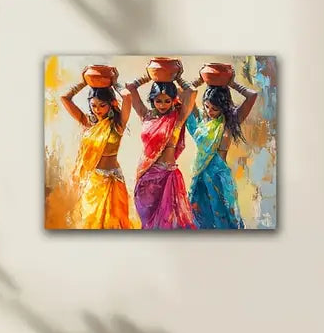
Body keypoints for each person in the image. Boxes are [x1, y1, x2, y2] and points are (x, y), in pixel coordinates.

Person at [60, 67, 134, 229]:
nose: (97, 109)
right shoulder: (88, 123)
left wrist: (115, 83)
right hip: (94, 182)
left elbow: (127, 96)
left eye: (102, 105)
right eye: (93, 105)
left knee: (115, 225)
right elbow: (64, 98)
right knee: (92, 224)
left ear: (112, 104)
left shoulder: (117, 125)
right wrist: (84, 82)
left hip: (114, 181)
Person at [126, 63, 197, 229]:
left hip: (168, 178)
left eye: (167, 101)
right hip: (147, 179)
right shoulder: (146, 116)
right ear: (152, 100)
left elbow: (192, 93)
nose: (163, 105)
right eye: (158, 101)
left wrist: (177, 77)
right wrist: (150, 75)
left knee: (169, 224)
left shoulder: (178, 118)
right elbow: (130, 87)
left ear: (173, 101)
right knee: (148, 224)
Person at [186, 68, 258, 229]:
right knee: (201, 220)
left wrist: (232, 83)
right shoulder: (201, 120)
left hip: (220, 178)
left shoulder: (230, 121)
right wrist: (200, 80)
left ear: (224, 107)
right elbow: (184, 93)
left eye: (215, 109)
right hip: (201, 179)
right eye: (207, 106)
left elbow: (252, 96)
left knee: (226, 220)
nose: (210, 111)